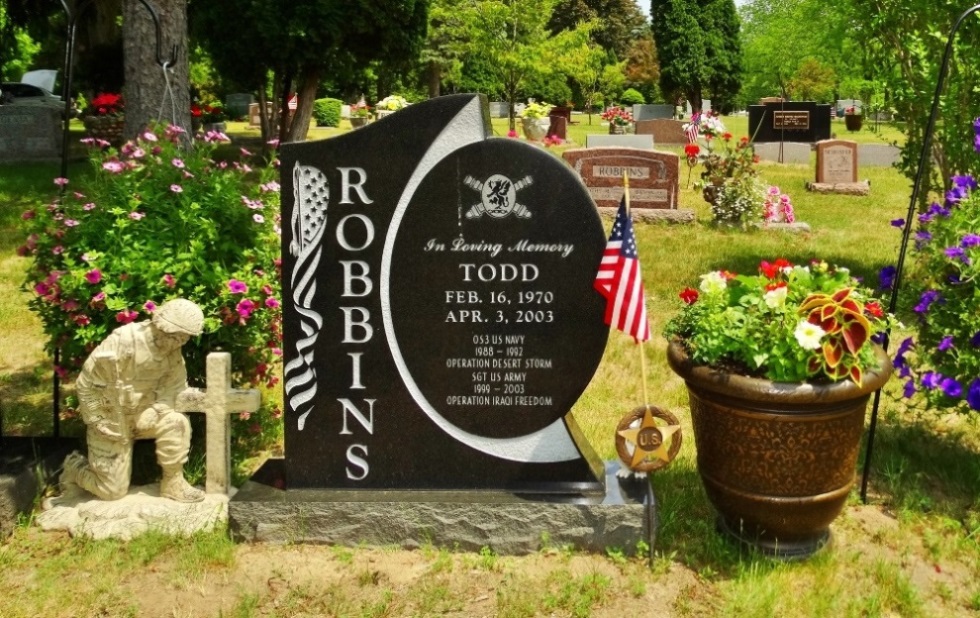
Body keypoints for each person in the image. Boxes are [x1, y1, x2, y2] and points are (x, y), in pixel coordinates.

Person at [60, 299, 206, 502]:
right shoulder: (124, 341)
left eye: (184, 339)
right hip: (110, 421)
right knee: (111, 492)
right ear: (159, 325)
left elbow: (176, 388)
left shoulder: (173, 353)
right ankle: (74, 468)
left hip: (144, 416)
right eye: (174, 337)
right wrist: (99, 420)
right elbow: (87, 382)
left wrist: (158, 410)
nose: (178, 343)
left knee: (176, 422)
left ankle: (173, 483)